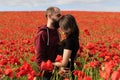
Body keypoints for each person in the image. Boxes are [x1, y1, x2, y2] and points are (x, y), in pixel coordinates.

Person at [34, 6, 62, 80]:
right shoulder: (42, 34)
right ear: (49, 16)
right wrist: (56, 65)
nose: (60, 18)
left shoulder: (57, 33)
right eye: (58, 15)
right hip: (46, 75)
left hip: (58, 73)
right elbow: (39, 60)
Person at [53, 14, 80, 80]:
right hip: (69, 71)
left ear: (66, 27)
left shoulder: (69, 41)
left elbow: (64, 63)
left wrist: (50, 63)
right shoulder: (75, 38)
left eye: (61, 27)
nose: (60, 29)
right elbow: (74, 56)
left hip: (65, 73)